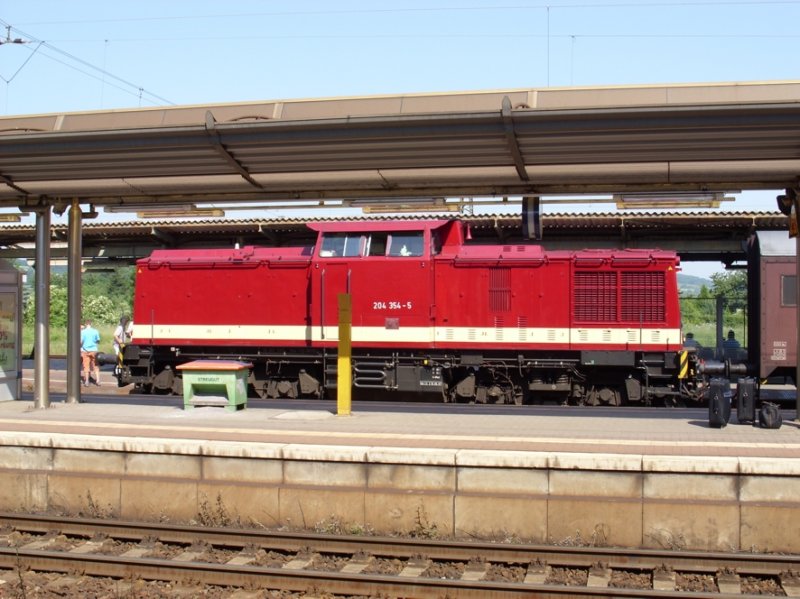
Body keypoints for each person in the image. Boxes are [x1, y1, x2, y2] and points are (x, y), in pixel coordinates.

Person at [80, 318, 101, 387]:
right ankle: (98, 381)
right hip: (94, 350)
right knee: (95, 365)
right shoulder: (95, 331)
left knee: (86, 366)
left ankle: (86, 381)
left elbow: (81, 342)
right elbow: (98, 341)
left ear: (86, 324)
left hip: (85, 350)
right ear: (91, 324)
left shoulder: (83, 332)